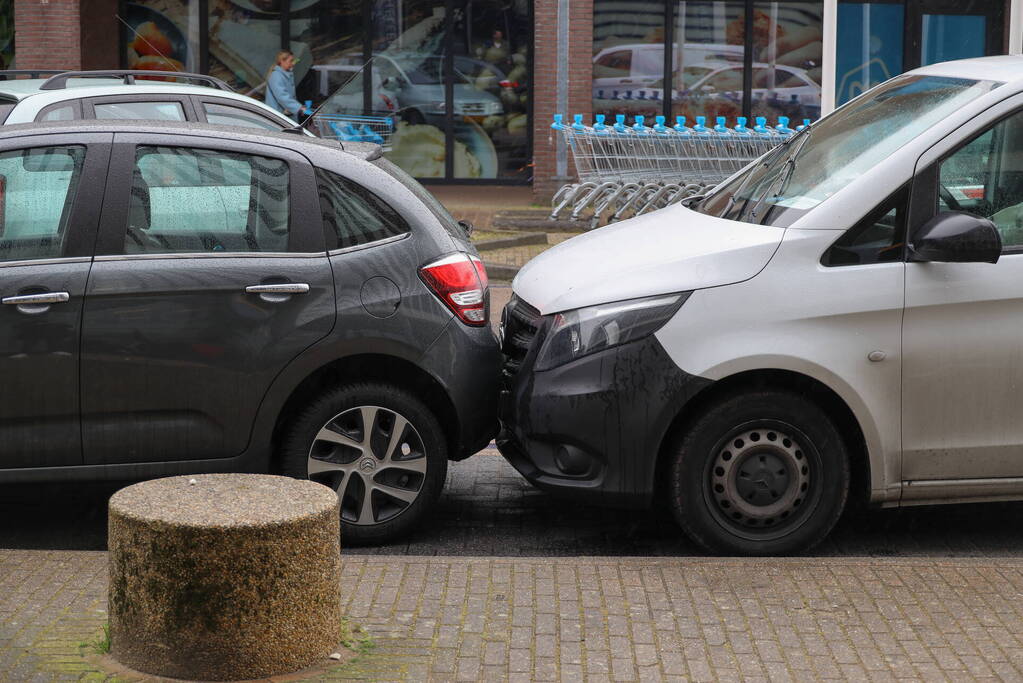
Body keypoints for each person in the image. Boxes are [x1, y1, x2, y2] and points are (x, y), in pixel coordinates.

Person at [265, 50, 308, 122]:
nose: (293, 63)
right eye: (290, 61)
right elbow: (282, 96)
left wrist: (298, 107)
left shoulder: (285, 73)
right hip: (278, 117)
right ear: (282, 61)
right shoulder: (276, 76)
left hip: (285, 115)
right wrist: (299, 108)